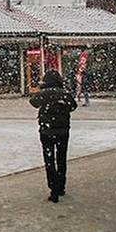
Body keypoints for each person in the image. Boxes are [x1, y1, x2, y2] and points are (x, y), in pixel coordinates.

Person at [29, 70, 77, 203]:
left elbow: (33, 102)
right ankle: (61, 185)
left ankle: (53, 188)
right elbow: (73, 106)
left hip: (47, 130)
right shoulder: (64, 93)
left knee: (49, 160)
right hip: (62, 130)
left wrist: (42, 91)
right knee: (61, 158)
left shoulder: (43, 93)